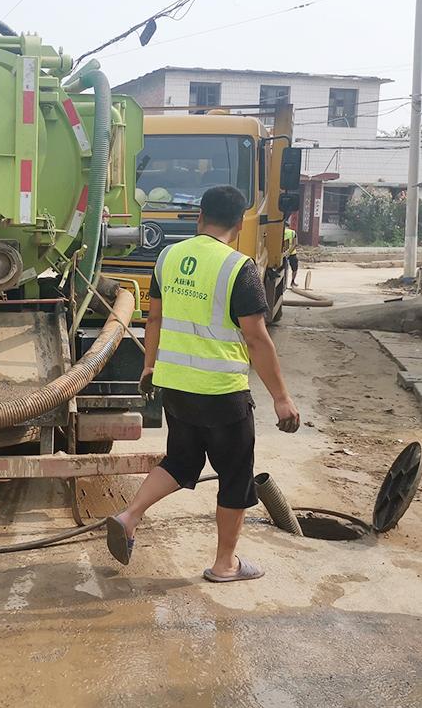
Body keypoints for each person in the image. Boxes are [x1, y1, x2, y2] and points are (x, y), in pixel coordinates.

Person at [107, 185, 300, 582]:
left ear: (199, 216)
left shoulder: (168, 257)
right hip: (221, 393)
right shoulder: (238, 267)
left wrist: (148, 367)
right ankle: (225, 564)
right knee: (235, 477)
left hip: (175, 388)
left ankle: (129, 516)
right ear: (240, 223)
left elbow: (153, 319)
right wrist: (281, 398)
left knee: (180, 462)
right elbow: (256, 338)